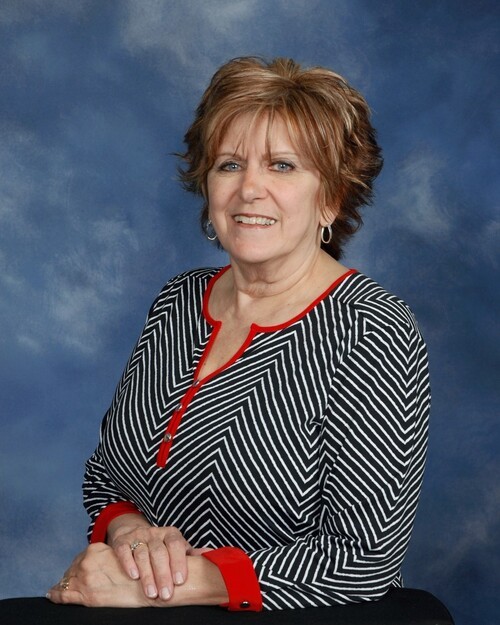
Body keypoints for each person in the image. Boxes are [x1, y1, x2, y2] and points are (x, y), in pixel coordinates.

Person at [46, 56, 430, 611]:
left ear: (332, 197)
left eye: (282, 166)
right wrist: (130, 535)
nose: (250, 189)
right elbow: (108, 475)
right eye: (229, 164)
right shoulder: (178, 301)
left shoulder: (371, 328)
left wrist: (171, 587)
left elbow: (363, 557)